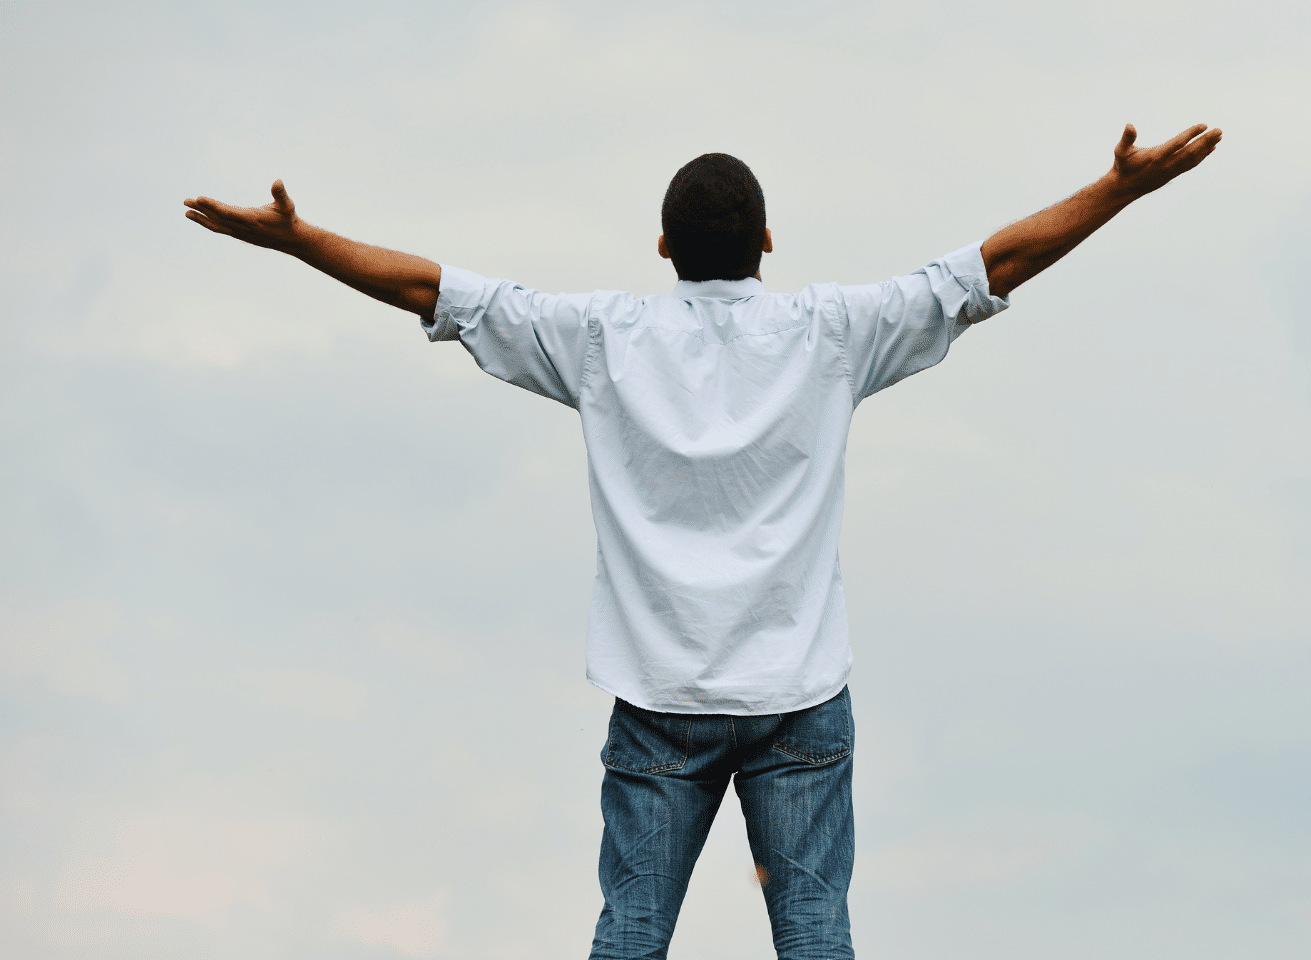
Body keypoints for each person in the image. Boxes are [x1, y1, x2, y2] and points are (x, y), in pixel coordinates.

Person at [184, 122, 1223, 960]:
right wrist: (1119, 188)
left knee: (630, 935)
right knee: (817, 937)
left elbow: (432, 290)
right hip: (801, 699)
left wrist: (298, 238)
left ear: (663, 248)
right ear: (768, 244)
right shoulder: (830, 334)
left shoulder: (600, 341)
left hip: (661, 702)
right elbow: (995, 266)